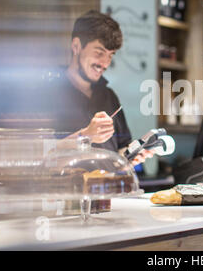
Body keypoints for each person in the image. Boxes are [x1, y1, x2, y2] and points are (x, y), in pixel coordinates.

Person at [46, 10, 153, 165]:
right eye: (99, 52)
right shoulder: (47, 93)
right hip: (66, 188)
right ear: (76, 46)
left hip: (109, 187)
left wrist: (133, 154)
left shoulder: (109, 96)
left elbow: (120, 150)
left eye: (110, 55)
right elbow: (41, 153)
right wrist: (85, 136)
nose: (105, 63)